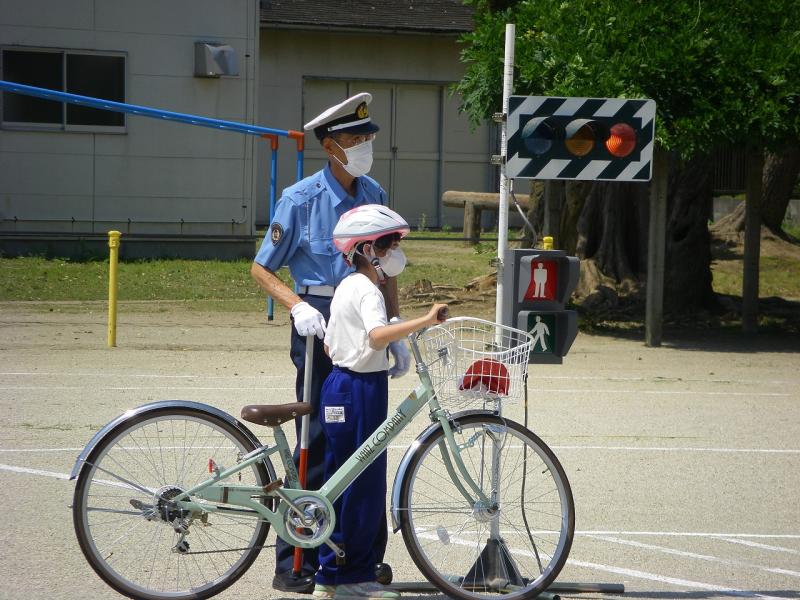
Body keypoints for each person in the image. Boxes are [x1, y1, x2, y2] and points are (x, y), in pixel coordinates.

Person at [250, 93, 408, 595]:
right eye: (354, 139)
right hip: (319, 322)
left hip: (368, 315)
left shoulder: (373, 189)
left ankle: (361, 556)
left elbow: (386, 262)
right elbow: (260, 268)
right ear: (330, 146)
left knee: (368, 441)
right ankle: (294, 558)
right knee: (316, 439)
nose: (364, 146)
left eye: (367, 138)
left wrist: (398, 319)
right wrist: (295, 306)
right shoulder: (300, 199)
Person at [313, 204, 447, 599]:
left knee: (341, 480)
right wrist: (423, 321)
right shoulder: (368, 289)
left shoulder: (347, 287)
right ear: (369, 249)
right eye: (389, 244)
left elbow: (331, 342)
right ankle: (351, 577)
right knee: (363, 484)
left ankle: (332, 570)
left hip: (340, 384)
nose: (394, 252)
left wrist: (387, 338)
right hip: (361, 390)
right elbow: (374, 336)